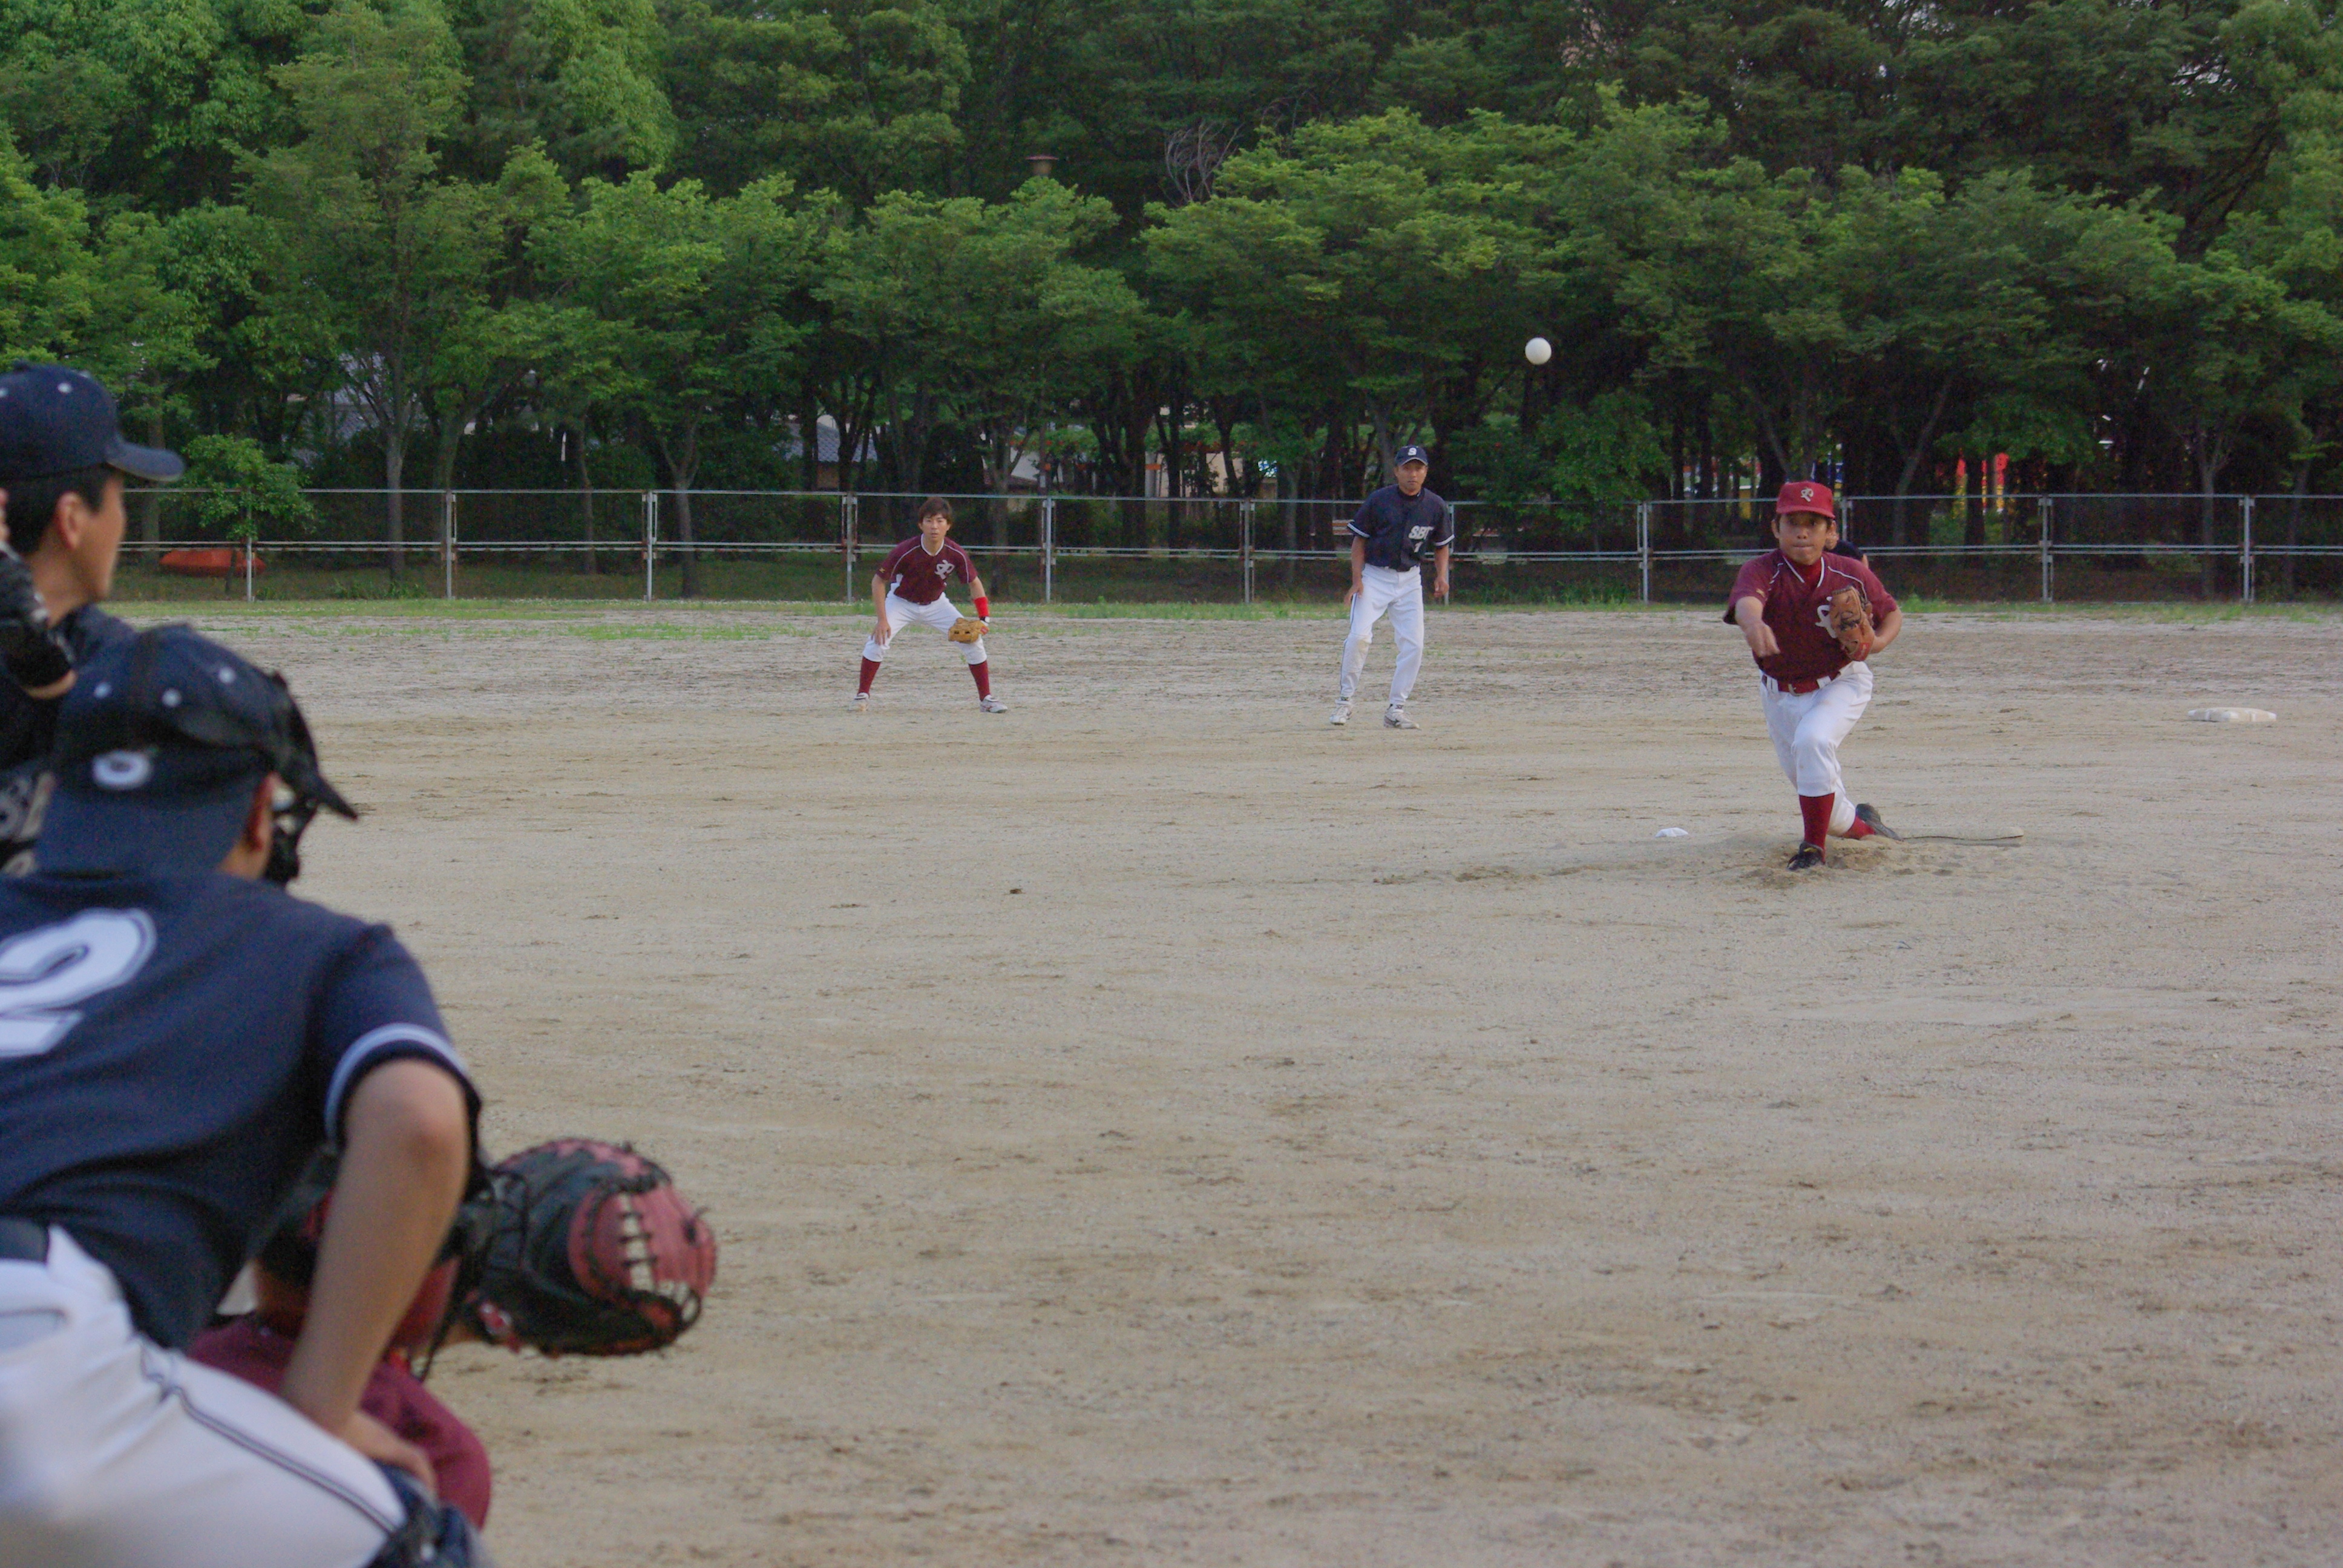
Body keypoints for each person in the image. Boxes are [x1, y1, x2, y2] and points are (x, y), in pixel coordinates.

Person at [0, 625, 491, 1566]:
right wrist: (323, 1405)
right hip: (36, 1362)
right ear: (263, 810)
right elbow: (420, 1124)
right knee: (416, 1543)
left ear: (60, 796)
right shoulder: (321, 949)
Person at [0, 362, 185, 867]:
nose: (121, 521)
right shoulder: (125, 662)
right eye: (119, 497)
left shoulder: (109, 656)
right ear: (72, 519)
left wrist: (39, 661)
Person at [1726, 480, 1906, 871]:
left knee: (1814, 741)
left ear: (1830, 532)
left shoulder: (1849, 571)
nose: (1803, 533)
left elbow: (1892, 613)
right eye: (1793, 523)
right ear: (1776, 529)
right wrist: (1753, 623)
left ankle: (1812, 850)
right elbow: (1747, 602)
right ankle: (1866, 827)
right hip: (1779, 695)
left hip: (1840, 682)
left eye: (1814, 523)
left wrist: (1876, 644)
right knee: (1824, 799)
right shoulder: (1762, 570)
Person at [1331, 444, 1452, 730]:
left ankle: (1396, 709)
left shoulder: (1435, 505)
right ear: (1396, 471)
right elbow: (1359, 541)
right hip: (1375, 577)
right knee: (1359, 637)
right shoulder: (1380, 500)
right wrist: (1357, 580)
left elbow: (1441, 545)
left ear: (1426, 472)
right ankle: (1345, 701)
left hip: (1410, 579)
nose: (1413, 474)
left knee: (1414, 645)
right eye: (1407, 468)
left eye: (1419, 468)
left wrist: (1441, 575)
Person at [852, 496, 1006, 713]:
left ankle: (987, 699)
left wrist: (984, 619)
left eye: (940, 521)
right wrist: (882, 620)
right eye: (929, 520)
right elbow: (878, 581)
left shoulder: (955, 553)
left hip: (936, 604)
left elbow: (974, 583)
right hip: (901, 602)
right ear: (920, 525)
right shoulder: (906, 550)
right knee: (878, 641)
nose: (935, 526)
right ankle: (862, 695)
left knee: (973, 642)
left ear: (948, 526)